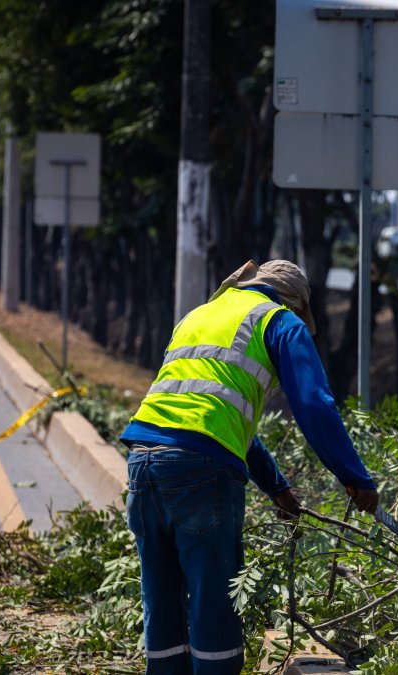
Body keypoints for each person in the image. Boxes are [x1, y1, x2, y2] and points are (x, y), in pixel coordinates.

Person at [119, 260, 379, 675]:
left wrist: (278, 488)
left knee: (161, 602)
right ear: (295, 304)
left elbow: (215, 419)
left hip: (142, 462)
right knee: (215, 604)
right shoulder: (280, 321)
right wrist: (355, 477)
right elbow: (313, 404)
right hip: (201, 472)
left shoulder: (198, 316)